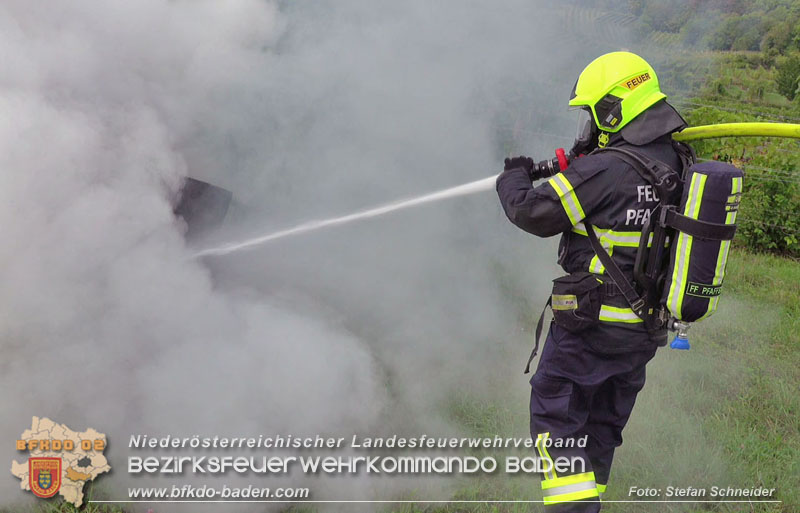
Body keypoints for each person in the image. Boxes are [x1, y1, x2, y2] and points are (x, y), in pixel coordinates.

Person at [496, 51, 690, 512]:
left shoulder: (607, 169)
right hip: (642, 331)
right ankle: (589, 501)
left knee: (556, 413)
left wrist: (512, 177)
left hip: (590, 328)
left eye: (592, 112)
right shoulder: (677, 161)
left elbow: (534, 212)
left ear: (612, 109)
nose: (589, 122)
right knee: (601, 425)